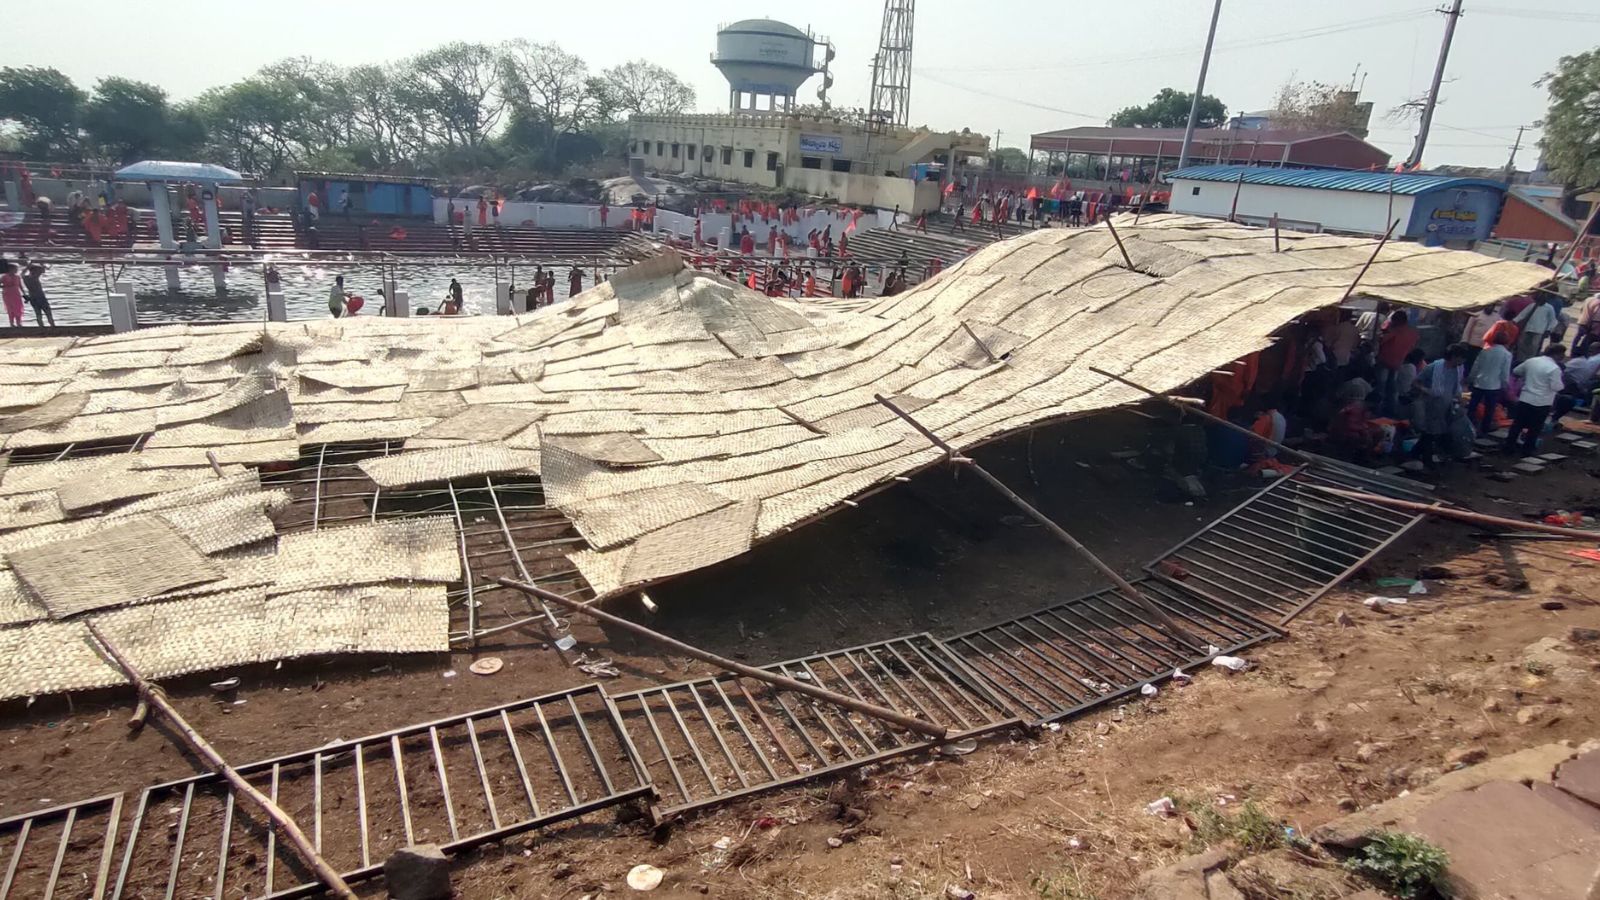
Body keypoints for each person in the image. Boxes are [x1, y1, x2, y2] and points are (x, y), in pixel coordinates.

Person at [1504, 343, 1567, 456]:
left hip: (1525, 398)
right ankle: (1527, 450)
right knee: (1535, 428)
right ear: (1557, 354)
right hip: (1542, 402)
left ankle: (1508, 447)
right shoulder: (1554, 368)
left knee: (1517, 424)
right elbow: (1557, 387)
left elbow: (1517, 371)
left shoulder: (1532, 361)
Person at [1413, 344, 1468, 465]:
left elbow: (1456, 386)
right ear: (1454, 357)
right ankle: (1426, 458)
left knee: (1435, 432)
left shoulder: (1458, 369)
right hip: (1431, 404)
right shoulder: (1433, 367)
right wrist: (1426, 390)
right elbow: (1416, 382)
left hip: (1446, 406)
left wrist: (1459, 399)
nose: (1463, 361)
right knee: (1430, 432)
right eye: (1461, 358)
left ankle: (1415, 453)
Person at [1466, 329, 1514, 435]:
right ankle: (1484, 430)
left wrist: (1471, 379)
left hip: (1479, 382)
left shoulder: (1485, 351)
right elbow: (1504, 372)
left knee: (1472, 407)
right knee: (1489, 409)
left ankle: (1467, 426)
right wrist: (1504, 385)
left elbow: (1476, 367)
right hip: (1493, 386)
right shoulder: (1507, 355)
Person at [1375, 310, 1419, 414]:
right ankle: (1392, 411)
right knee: (1392, 388)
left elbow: (1381, 340)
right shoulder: (1412, 333)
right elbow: (1412, 346)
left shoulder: (1396, 330)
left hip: (1385, 361)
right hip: (1398, 362)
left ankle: (1377, 410)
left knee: (1381, 387)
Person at [1514, 291, 1558, 361]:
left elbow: (1553, 321)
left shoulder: (1549, 308)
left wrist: (1548, 330)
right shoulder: (1532, 306)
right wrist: (1514, 321)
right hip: (1528, 329)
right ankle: (1520, 360)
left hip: (1539, 331)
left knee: (1534, 347)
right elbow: (1522, 314)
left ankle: (1530, 360)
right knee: (1521, 345)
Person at [21, 262, 54, 327]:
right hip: (39, 298)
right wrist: (41, 263)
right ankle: (49, 326)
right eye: (37, 272)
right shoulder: (33, 277)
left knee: (40, 314)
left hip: (34, 298)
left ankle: (46, 326)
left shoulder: (26, 278)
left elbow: (22, 273)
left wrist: (29, 266)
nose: (39, 273)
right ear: (33, 271)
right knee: (46, 313)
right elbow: (43, 270)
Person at [1, 263, 25, 327]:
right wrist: (5, 286)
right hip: (7, 294)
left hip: (16, 294)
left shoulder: (17, 277)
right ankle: (11, 323)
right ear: (9, 269)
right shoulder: (4, 276)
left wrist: (24, 293)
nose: (16, 270)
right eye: (15, 269)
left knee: (18, 308)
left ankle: (18, 323)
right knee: (10, 309)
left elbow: (20, 286)